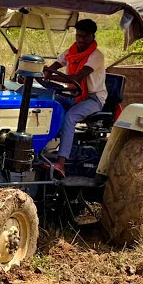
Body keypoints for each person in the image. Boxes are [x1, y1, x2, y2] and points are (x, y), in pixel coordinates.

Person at [43, 18, 107, 178]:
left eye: (84, 37)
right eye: (78, 36)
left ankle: (61, 163)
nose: (80, 40)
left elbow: (77, 77)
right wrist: (46, 71)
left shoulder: (96, 56)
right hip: (74, 95)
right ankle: (41, 150)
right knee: (48, 103)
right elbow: (57, 63)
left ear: (92, 36)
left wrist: (52, 77)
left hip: (92, 99)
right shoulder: (72, 51)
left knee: (70, 117)